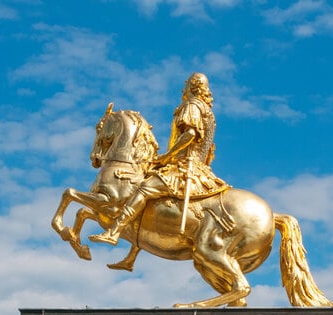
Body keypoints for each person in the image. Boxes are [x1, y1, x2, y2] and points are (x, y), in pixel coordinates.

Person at [90, 72, 229, 245]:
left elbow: (190, 134)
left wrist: (168, 156)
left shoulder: (192, 106)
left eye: (186, 84)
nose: (183, 88)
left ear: (192, 86)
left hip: (185, 167)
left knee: (143, 189)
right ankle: (132, 255)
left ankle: (114, 232)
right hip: (201, 169)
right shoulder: (208, 112)